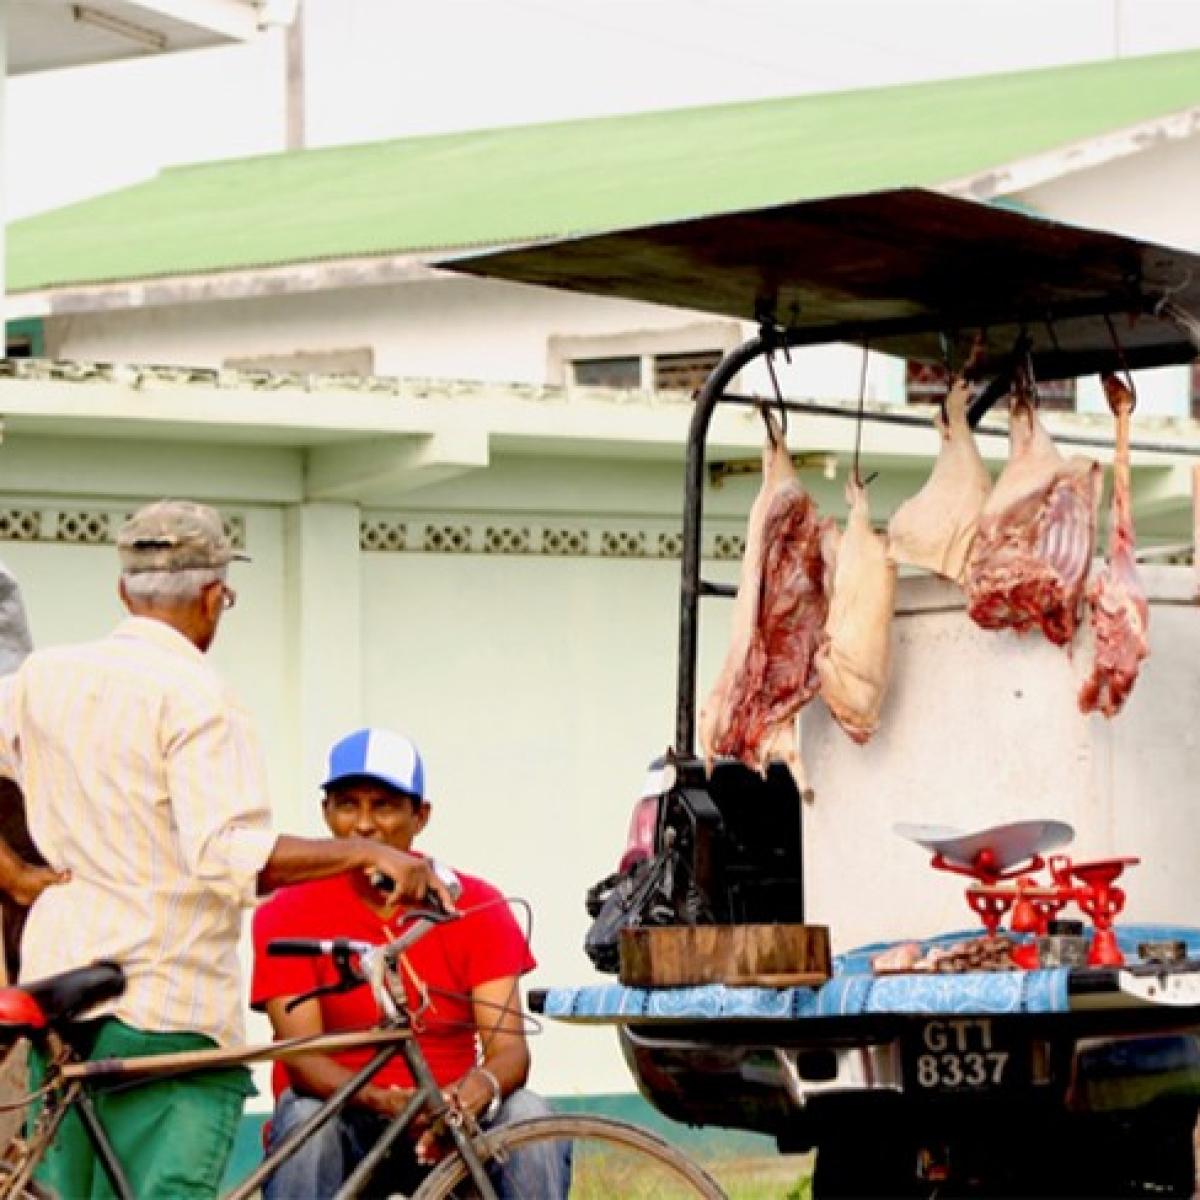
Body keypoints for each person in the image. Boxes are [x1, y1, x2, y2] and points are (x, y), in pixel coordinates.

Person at [0, 500, 452, 1200]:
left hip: (59, 981)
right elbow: (228, 853)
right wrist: (373, 857)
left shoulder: (44, 677)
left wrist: (18, 875)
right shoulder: (200, 697)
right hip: (161, 997)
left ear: (125, 591)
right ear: (215, 597)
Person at [251, 727, 569, 1199]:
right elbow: (303, 1059)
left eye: (383, 805)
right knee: (303, 1117)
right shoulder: (286, 911)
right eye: (346, 804)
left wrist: (473, 1090)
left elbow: (510, 1051)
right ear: (325, 813)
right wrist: (384, 1101)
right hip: (346, 1117)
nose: (363, 825)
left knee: (529, 1115)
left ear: (420, 816)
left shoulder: (474, 904)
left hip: (453, 1119)